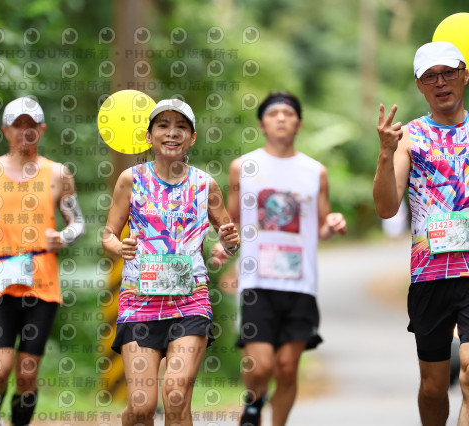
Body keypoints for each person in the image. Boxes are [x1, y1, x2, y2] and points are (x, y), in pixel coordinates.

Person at [102, 98, 240, 426]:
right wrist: (120, 247)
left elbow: (229, 239)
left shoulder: (205, 184)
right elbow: (108, 235)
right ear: (149, 136)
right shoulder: (131, 179)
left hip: (190, 303)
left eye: (181, 127)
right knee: (141, 406)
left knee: (176, 396)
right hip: (139, 301)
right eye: (163, 125)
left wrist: (229, 242)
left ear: (192, 138)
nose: (172, 133)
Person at [213, 91, 347, 426]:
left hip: (301, 283)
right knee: (261, 366)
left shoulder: (315, 172)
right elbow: (233, 222)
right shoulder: (242, 167)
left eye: (289, 114)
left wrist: (333, 224)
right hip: (257, 280)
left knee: (287, 368)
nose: (282, 119)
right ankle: (254, 402)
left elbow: (321, 227)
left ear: (299, 123)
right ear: (262, 124)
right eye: (274, 114)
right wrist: (224, 249)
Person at [0, 96, 85, 426]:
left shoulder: (58, 173)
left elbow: (77, 222)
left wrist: (64, 237)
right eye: (18, 125)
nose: (25, 132)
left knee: (27, 373)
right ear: (5, 130)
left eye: (31, 125)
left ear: (42, 129)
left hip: (41, 282)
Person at [373, 41, 469, 425]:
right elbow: (386, 207)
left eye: (448, 73)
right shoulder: (408, 138)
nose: (441, 82)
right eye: (430, 76)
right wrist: (385, 152)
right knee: (433, 386)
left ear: (464, 75)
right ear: (419, 85)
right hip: (430, 274)